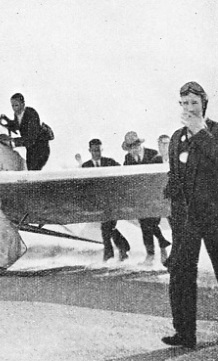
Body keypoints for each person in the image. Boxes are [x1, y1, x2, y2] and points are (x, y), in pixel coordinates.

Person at [162, 81, 218, 349]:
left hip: (215, 217)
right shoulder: (175, 138)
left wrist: (201, 133)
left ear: (204, 104)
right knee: (181, 275)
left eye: (194, 103)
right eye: (184, 104)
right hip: (185, 220)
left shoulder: (214, 132)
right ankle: (185, 333)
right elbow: (174, 178)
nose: (189, 108)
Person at [122, 131, 170, 265]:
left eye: (134, 146)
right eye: (130, 147)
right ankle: (151, 254)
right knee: (144, 226)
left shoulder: (153, 154)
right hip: (141, 200)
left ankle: (162, 248)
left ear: (139, 145)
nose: (133, 150)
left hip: (155, 197)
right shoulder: (128, 159)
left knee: (152, 223)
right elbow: (126, 179)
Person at [81, 139, 130, 261]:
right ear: (90, 150)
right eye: (94, 150)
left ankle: (109, 255)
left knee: (106, 228)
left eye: (99, 150)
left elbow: (123, 172)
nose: (97, 153)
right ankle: (123, 248)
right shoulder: (85, 166)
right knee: (108, 228)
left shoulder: (110, 162)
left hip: (112, 202)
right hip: (98, 204)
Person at [0, 93, 51, 170]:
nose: (14, 108)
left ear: (23, 104)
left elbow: (31, 139)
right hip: (30, 150)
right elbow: (17, 125)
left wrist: (12, 140)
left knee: (33, 172)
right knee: (30, 171)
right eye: (12, 106)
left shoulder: (31, 114)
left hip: (40, 150)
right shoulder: (17, 114)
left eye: (16, 105)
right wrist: (6, 120)